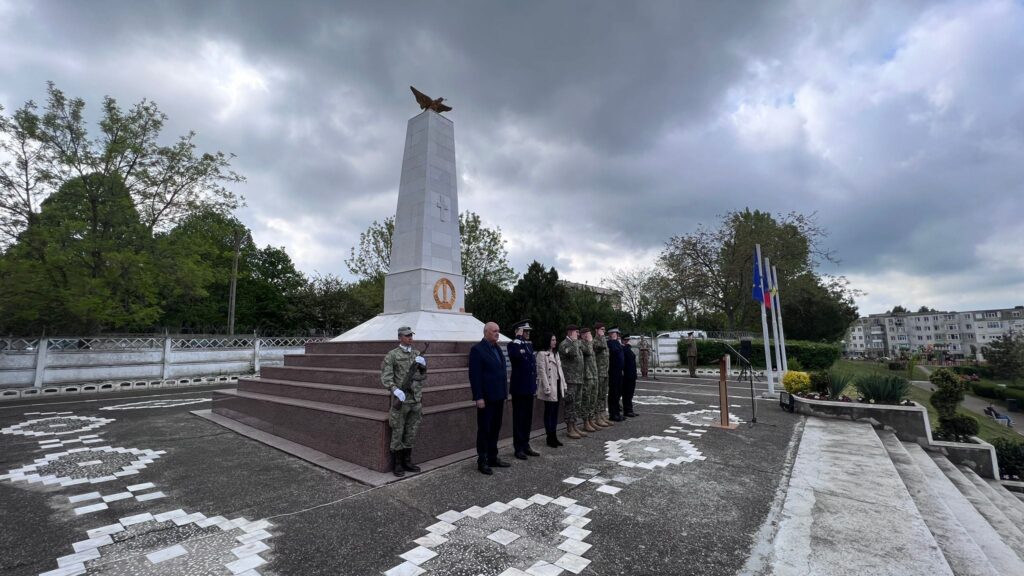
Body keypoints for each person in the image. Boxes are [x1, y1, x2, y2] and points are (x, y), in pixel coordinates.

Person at [380, 326, 427, 477]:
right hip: (401, 400)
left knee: (411, 431)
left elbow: (422, 376)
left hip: (416, 399)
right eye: (407, 336)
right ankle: (397, 464)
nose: (410, 338)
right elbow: (386, 377)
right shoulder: (392, 355)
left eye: (411, 335)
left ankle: (407, 461)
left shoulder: (416, 354)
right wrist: (395, 389)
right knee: (398, 431)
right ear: (399, 337)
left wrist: (423, 367)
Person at [469, 321, 511, 475]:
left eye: (498, 330)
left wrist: (505, 393)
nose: (497, 333)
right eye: (494, 331)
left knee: (495, 428)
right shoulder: (477, 350)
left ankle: (493, 457)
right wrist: (478, 397)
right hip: (486, 398)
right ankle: (482, 460)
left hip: (499, 396)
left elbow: (501, 373)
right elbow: (475, 376)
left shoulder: (497, 348)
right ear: (486, 332)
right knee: (485, 429)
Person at [508, 320, 539, 459]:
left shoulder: (528, 345)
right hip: (519, 389)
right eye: (525, 331)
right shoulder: (513, 344)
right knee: (519, 420)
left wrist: (534, 386)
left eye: (528, 331)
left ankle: (526, 445)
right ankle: (518, 448)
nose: (528, 333)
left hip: (528, 388)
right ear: (518, 331)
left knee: (527, 419)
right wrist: (518, 337)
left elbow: (532, 367)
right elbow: (515, 356)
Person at [537, 333, 567, 447]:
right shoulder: (542, 354)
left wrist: (564, 384)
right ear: (547, 341)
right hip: (550, 386)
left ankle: (554, 436)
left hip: (557, 384)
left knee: (555, 412)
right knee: (549, 412)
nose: (555, 342)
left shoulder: (556, 353)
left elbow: (560, 371)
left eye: (555, 340)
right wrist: (546, 387)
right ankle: (549, 437)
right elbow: (542, 372)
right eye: (552, 340)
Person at [558, 324, 586, 439]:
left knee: (576, 404)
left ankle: (574, 425)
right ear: (570, 332)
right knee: (570, 403)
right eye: (576, 332)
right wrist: (574, 342)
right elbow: (572, 353)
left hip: (578, 378)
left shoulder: (576, 343)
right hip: (569, 379)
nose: (578, 334)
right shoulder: (564, 344)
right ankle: (569, 428)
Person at [580, 326, 602, 432]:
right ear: (583, 335)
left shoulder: (590, 344)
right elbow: (588, 352)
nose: (590, 336)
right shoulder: (581, 344)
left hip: (593, 375)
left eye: (590, 334)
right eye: (588, 334)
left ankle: (590, 419)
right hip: (587, 376)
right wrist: (589, 342)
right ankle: (585, 422)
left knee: (593, 399)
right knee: (587, 399)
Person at [592, 323, 612, 427]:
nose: (603, 331)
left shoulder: (602, 340)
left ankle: (603, 415)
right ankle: (597, 417)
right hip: (599, 372)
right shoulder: (595, 341)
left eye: (604, 330)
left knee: (603, 395)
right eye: (601, 329)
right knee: (598, 395)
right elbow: (602, 346)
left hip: (605, 372)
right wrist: (601, 336)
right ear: (596, 330)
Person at [606, 328, 625, 421]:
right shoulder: (609, 343)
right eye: (615, 333)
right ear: (610, 334)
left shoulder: (617, 343)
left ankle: (617, 412)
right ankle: (613, 414)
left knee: (618, 392)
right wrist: (614, 340)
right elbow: (614, 351)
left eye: (617, 333)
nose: (617, 335)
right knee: (613, 393)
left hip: (619, 371)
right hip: (613, 371)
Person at [622, 334, 638, 417]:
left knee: (630, 393)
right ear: (623, 341)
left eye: (629, 340)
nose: (628, 341)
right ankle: (627, 411)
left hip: (632, 374)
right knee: (627, 393)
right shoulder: (624, 349)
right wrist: (627, 345)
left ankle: (630, 409)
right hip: (627, 375)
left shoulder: (628, 349)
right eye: (627, 340)